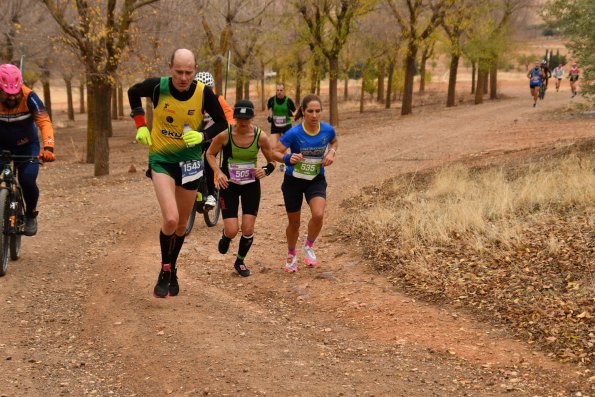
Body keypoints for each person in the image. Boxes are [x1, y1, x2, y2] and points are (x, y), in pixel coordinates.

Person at [127, 49, 228, 298]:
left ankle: (173, 267)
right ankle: (164, 268)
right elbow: (132, 92)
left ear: (195, 70)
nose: (183, 77)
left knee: (182, 225)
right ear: (170, 67)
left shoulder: (203, 93)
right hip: (161, 159)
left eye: (188, 72)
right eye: (178, 71)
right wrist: (140, 125)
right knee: (170, 219)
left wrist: (203, 136)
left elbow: (222, 122)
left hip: (190, 163)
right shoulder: (156, 87)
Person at [206, 100, 275, 277]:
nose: (243, 122)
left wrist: (265, 170)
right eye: (239, 118)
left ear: (252, 117)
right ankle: (226, 236)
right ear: (235, 117)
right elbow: (210, 154)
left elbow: (272, 161)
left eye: (246, 118)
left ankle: (240, 261)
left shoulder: (261, 136)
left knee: (248, 229)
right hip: (228, 185)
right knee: (232, 229)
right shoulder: (224, 135)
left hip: (251, 186)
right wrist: (218, 172)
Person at [272, 94, 338, 273]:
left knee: (318, 215)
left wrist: (331, 152)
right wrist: (287, 157)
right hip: (293, 181)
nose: (314, 115)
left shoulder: (327, 130)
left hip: (315, 179)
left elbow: (334, 141)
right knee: (294, 223)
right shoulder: (294, 133)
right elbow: (274, 153)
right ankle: (291, 254)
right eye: (310, 111)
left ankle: (308, 246)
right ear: (303, 111)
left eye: (318, 111)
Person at [0, 63, 56, 236]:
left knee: (27, 179)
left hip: (27, 145)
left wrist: (48, 147)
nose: (12, 98)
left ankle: (31, 214)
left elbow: (44, 121)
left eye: (15, 93)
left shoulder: (30, 97)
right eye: (7, 94)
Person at [194, 71, 234, 208]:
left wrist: (225, 133)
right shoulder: (191, 101)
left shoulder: (218, 100)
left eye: (208, 89)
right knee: (190, 159)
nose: (205, 92)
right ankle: (194, 189)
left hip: (215, 137)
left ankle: (211, 193)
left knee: (207, 158)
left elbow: (229, 118)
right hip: (196, 137)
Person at [267, 83, 296, 170]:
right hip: (275, 126)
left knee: (283, 146)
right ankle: (278, 161)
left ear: (284, 91)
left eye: (281, 90)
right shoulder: (272, 100)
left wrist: (291, 114)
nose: (279, 92)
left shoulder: (288, 101)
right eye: (277, 90)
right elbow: (268, 109)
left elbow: (295, 111)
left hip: (286, 126)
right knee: (273, 147)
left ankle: (282, 164)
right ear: (276, 91)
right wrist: (269, 117)